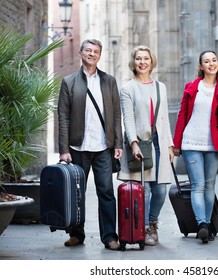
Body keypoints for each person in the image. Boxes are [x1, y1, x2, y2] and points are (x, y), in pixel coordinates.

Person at [58, 39, 123, 250]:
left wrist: (118, 143)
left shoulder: (109, 81)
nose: (92, 54)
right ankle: (77, 234)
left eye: (95, 51)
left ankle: (110, 237)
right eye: (88, 50)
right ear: (80, 53)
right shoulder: (69, 82)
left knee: (106, 192)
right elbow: (63, 117)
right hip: (78, 147)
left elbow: (116, 114)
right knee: (77, 193)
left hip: (103, 147)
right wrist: (64, 150)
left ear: (99, 56)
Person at [117, 45, 174, 246]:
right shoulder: (127, 88)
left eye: (146, 58)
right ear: (134, 62)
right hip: (141, 144)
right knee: (146, 189)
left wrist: (170, 145)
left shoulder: (161, 87)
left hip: (160, 142)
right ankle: (142, 229)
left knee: (161, 190)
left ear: (152, 61)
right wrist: (133, 143)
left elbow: (164, 117)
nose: (142, 62)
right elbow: (128, 119)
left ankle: (153, 223)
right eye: (139, 59)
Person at [173, 50, 218, 244]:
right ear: (201, 66)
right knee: (198, 185)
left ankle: (208, 224)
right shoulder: (192, 87)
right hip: (191, 142)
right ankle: (202, 224)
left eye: (214, 60)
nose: (211, 64)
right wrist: (176, 144)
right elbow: (182, 116)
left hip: (214, 144)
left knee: (210, 185)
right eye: (206, 61)